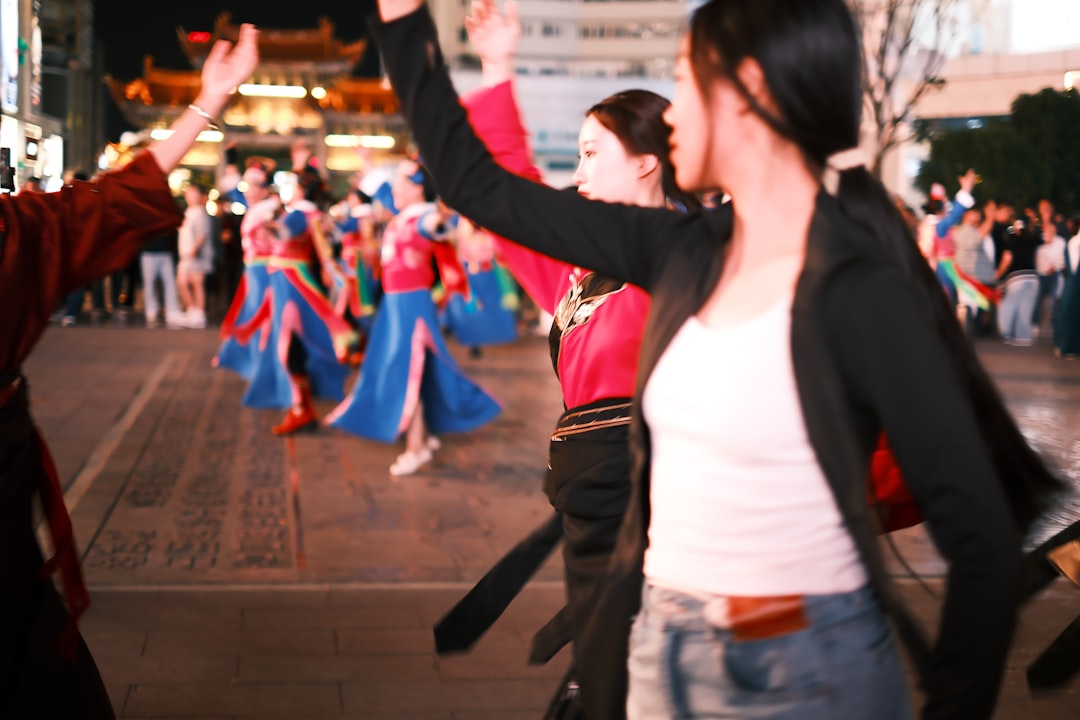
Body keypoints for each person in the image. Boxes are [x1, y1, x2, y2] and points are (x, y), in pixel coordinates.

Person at [368, 0, 1064, 717]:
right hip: (661, 647)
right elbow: (477, 185)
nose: (670, 118)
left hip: (804, 665)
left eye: (683, 81)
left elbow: (978, 538)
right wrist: (404, 20)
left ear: (749, 93)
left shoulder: (856, 285)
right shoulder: (672, 250)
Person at [440, 2, 699, 713]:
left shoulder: (696, 254)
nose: (577, 168)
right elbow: (504, 186)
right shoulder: (571, 266)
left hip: (677, 512)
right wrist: (498, 65)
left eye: (592, 152)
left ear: (647, 160)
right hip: (590, 499)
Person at [0, 25, 258, 719]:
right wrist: (209, 100)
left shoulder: (14, 230)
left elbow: (110, 199)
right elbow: (112, 201)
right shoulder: (13, 232)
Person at [325, 158, 501, 475]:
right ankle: (425, 438)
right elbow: (376, 192)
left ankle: (416, 447)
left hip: (411, 306)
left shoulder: (424, 217)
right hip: (396, 305)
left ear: (419, 186)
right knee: (417, 369)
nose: (395, 186)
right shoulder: (401, 217)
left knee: (405, 372)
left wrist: (446, 208)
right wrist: (367, 166)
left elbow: (439, 224)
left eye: (403, 181)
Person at [176, 184, 214, 329]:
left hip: (196, 255)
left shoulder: (199, 212)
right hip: (186, 253)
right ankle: (193, 310)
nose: (190, 196)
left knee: (196, 282)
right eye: (188, 193)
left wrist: (194, 249)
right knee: (183, 281)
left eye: (193, 193)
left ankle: (199, 312)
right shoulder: (189, 211)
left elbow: (202, 234)